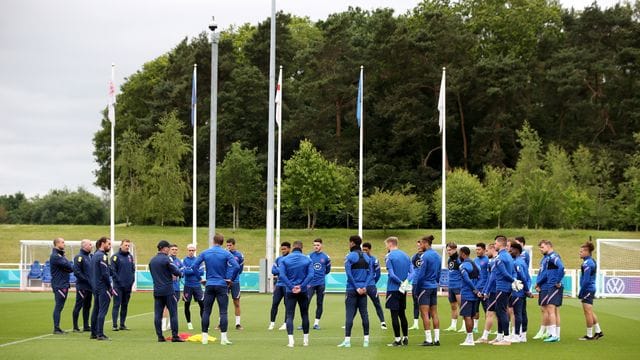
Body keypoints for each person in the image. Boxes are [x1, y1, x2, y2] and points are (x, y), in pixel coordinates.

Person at [192, 233, 240, 345]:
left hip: (209, 284)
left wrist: (200, 279)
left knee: (206, 311)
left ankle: (204, 338)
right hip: (222, 285)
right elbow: (237, 267)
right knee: (223, 312)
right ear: (223, 242)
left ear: (213, 241)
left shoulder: (205, 252)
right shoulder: (226, 253)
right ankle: (223, 338)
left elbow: (194, 266)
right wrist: (231, 280)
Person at [337, 235, 373, 348]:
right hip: (364, 290)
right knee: (364, 314)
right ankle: (366, 341)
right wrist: (364, 286)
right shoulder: (367, 257)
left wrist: (357, 287)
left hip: (352, 289)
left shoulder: (350, 256)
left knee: (349, 314)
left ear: (352, 243)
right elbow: (371, 274)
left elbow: (349, 273)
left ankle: (347, 341)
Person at [279, 240, 314, 347]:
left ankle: (291, 341)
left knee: (290, 315)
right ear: (302, 248)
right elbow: (311, 275)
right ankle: (305, 340)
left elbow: (282, 275)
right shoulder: (307, 259)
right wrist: (301, 286)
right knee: (305, 314)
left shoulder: (285, 259)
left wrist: (291, 287)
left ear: (293, 247)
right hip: (303, 291)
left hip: (290, 291)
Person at [149, 240, 184, 342]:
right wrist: (179, 273)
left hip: (157, 290)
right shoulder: (167, 259)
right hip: (168, 290)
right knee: (173, 313)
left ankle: (160, 336)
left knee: (158, 314)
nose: (169, 250)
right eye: (168, 248)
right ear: (164, 248)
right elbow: (176, 271)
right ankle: (175, 336)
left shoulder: (152, 260)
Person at [384, 236, 412, 347]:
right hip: (403, 290)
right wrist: (406, 282)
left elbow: (391, 274)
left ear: (390, 244)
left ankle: (397, 339)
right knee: (402, 314)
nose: (386, 247)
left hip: (393, 288)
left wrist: (400, 282)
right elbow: (412, 272)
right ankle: (405, 338)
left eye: (386, 244)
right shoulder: (406, 255)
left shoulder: (389, 256)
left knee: (394, 315)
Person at [414, 234, 441, 346]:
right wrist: (436, 282)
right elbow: (439, 272)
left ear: (426, 243)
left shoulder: (425, 256)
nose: (420, 245)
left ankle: (428, 339)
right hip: (433, 286)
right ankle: (437, 339)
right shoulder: (438, 256)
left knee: (424, 314)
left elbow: (421, 275)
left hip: (425, 287)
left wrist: (417, 289)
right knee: (434, 313)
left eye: (421, 243)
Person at [535, 239, 564, 343]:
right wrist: (539, 283)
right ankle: (554, 334)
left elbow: (561, 267)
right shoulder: (547, 258)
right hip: (550, 285)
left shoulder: (553, 257)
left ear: (548, 246)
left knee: (551, 310)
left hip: (553, 286)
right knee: (552, 310)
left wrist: (558, 281)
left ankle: (554, 335)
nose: (540, 250)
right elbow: (546, 273)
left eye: (542, 247)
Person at [490, 235, 516, 346]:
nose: (494, 245)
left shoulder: (500, 257)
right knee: (499, 311)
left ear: (500, 244)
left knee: (501, 312)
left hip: (502, 287)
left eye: (495, 243)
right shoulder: (508, 256)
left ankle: (506, 338)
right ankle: (500, 336)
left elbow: (505, 273)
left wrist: (513, 280)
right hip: (505, 287)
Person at [578, 241, 603, 340]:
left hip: (588, 289)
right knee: (590, 311)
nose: (579, 253)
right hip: (590, 289)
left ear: (587, 252)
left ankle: (589, 335)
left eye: (581, 251)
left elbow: (586, 280)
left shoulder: (588, 263)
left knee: (587, 312)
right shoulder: (590, 261)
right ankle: (598, 331)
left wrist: (581, 292)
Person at [90, 236, 113, 341]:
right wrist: (109, 287)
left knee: (96, 310)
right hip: (103, 287)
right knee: (102, 311)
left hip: (95, 287)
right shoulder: (102, 256)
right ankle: (100, 334)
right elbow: (104, 274)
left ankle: (93, 333)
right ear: (102, 243)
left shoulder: (94, 255)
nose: (110, 246)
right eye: (108, 244)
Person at [509, 241, 532, 343]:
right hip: (521, 291)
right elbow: (527, 277)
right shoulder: (521, 262)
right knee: (522, 312)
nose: (510, 251)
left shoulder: (517, 262)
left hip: (518, 291)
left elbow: (522, 277)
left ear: (516, 250)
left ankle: (517, 335)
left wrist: (526, 290)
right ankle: (523, 335)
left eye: (511, 249)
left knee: (518, 313)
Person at [50, 237, 74, 334]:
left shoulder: (60, 255)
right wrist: (67, 265)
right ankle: (56, 328)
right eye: (63, 242)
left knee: (60, 307)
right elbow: (69, 267)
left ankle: (57, 327)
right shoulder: (56, 256)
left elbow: (69, 268)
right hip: (60, 284)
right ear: (57, 244)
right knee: (58, 306)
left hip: (62, 283)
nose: (64, 244)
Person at [306, 238, 331, 330]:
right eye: (314, 245)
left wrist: (320, 276)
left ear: (321, 246)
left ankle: (316, 323)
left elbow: (328, 270)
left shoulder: (326, 257)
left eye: (317, 245)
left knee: (319, 303)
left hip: (321, 283)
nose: (316, 247)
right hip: (310, 284)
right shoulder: (308, 256)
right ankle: (304, 322)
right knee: (306, 302)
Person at [111, 239, 136, 331]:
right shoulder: (115, 257)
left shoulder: (130, 256)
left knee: (125, 305)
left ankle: (122, 324)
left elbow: (133, 269)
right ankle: (114, 325)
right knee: (116, 304)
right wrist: (119, 281)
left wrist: (132, 280)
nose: (127, 247)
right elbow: (113, 271)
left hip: (128, 286)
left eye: (128, 245)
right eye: (125, 245)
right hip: (118, 286)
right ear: (121, 246)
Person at [458, 246, 481, 346]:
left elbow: (467, 279)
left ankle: (470, 339)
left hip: (468, 294)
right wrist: (477, 289)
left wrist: (474, 289)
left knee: (467, 316)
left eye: (460, 253)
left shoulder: (463, 265)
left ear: (463, 254)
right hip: (474, 295)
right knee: (471, 316)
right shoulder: (475, 264)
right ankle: (469, 338)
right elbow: (480, 277)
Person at [361, 242, 387, 329]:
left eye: (366, 250)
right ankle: (348, 323)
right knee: (356, 304)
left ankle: (382, 322)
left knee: (377, 304)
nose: (364, 251)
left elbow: (378, 274)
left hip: (371, 286)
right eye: (363, 249)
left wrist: (372, 283)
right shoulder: (359, 259)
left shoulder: (374, 259)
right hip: (361, 285)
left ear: (370, 250)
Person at [476, 243, 497, 343]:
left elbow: (492, 278)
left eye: (487, 250)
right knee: (494, 313)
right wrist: (485, 290)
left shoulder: (495, 261)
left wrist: (486, 291)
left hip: (495, 291)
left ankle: (504, 335)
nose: (486, 252)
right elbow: (489, 278)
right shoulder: (492, 261)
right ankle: (501, 335)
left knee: (492, 313)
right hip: (491, 290)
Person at [72, 239, 93, 332]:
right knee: (78, 305)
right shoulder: (79, 257)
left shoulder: (90, 257)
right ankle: (75, 326)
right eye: (90, 245)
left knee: (87, 306)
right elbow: (77, 272)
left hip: (90, 286)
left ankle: (86, 325)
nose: (91, 246)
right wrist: (86, 280)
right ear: (84, 246)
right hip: (82, 286)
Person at [269, 242, 291, 331]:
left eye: (284, 249)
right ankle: (272, 323)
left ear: (289, 249)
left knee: (287, 305)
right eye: (282, 249)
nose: (283, 251)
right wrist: (282, 270)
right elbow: (273, 270)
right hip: (278, 285)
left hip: (287, 285)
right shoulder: (278, 259)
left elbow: (290, 271)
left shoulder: (291, 259)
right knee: (274, 304)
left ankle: (285, 323)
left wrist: (280, 270)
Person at [182, 243, 205, 331]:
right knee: (187, 304)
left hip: (197, 285)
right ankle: (189, 323)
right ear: (187, 251)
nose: (191, 252)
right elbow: (185, 272)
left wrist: (190, 269)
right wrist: (195, 270)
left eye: (192, 250)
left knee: (202, 304)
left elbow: (202, 272)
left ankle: (204, 321)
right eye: (189, 250)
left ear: (195, 251)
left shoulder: (199, 260)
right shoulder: (184, 260)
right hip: (187, 286)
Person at [163, 244, 184, 332]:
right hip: (168, 287)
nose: (174, 251)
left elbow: (182, 272)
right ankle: (163, 324)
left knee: (174, 306)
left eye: (176, 249)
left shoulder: (179, 261)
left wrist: (178, 275)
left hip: (176, 287)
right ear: (169, 250)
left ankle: (170, 324)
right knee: (165, 306)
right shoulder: (166, 260)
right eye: (172, 249)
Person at [226, 238, 245, 330]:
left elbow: (240, 269)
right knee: (223, 302)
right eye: (227, 245)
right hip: (225, 281)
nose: (228, 247)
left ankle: (238, 324)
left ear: (234, 245)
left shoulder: (239, 255)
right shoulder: (224, 254)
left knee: (236, 302)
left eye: (230, 245)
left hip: (235, 282)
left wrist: (234, 277)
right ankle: (221, 322)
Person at [444, 242, 462, 332]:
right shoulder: (449, 260)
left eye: (450, 250)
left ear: (455, 249)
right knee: (453, 306)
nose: (448, 252)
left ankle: (464, 326)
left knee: (462, 306)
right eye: (447, 250)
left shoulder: (459, 260)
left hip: (458, 286)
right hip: (451, 286)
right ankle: (453, 325)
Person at [472, 242, 489, 334]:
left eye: (479, 249)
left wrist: (487, 289)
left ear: (484, 250)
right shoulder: (475, 260)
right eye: (476, 249)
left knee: (487, 309)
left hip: (484, 288)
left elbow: (489, 276)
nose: (477, 251)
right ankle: (475, 327)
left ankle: (487, 328)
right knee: (475, 309)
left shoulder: (487, 260)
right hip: (476, 288)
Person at [409, 240, 424, 330]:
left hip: (424, 283)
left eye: (420, 245)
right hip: (415, 283)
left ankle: (426, 322)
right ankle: (415, 324)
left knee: (425, 304)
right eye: (417, 246)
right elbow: (412, 270)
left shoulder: (426, 256)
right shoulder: (414, 257)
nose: (418, 247)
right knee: (415, 303)